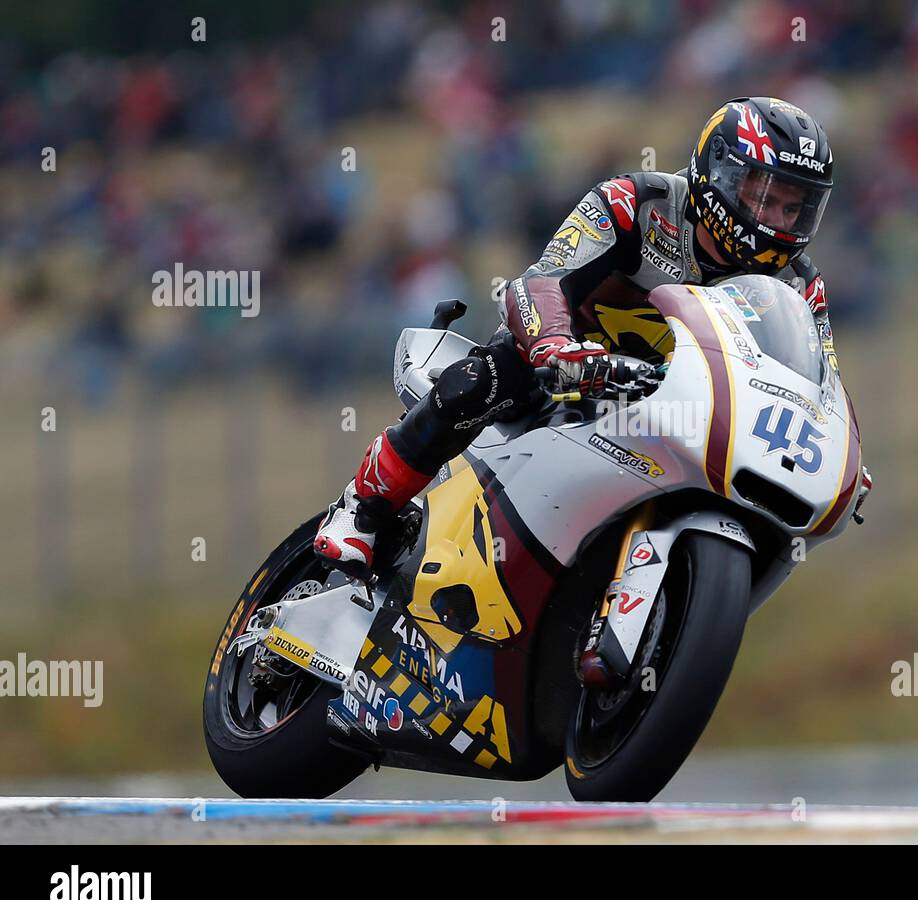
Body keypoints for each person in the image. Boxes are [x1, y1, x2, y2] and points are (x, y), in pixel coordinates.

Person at [313, 96, 837, 578]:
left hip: (677, 412)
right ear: (720, 171)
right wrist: (555, 348)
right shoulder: (638, 201)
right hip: (565, 370)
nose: (777, 220)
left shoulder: (799, 285)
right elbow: (540, 280)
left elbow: (819, 383)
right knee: (488, 375)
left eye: (794, 208)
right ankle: (363, 508)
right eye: (765, 196)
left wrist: (839, 454)